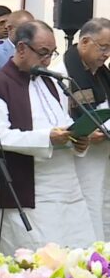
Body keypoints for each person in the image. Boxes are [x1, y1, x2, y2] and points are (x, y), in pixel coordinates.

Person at [0, 20, 96, 255]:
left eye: (52, 53)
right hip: (30, 189)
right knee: (41, 257)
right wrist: (47, 138)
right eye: (43, 53)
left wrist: (78, 140)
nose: (47, 60)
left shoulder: (51, 82)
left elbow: (63, 123)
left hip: (67, 185)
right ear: (21, 48)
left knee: (77, 253)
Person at [52, 18, 110, 241]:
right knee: (89, 207)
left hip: (103, 152)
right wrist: (84, 131)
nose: (107, 54)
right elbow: (56, 117)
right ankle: (94, 256)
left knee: (105, 207)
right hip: (81, 154)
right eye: (103, 47)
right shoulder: (61, 72)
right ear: (85, 42)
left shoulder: (101, 72)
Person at [0, 10, 34, 74]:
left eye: (32, 29)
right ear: (10, 28)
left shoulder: (34, 52)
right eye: (25, 29)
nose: (29, 33)